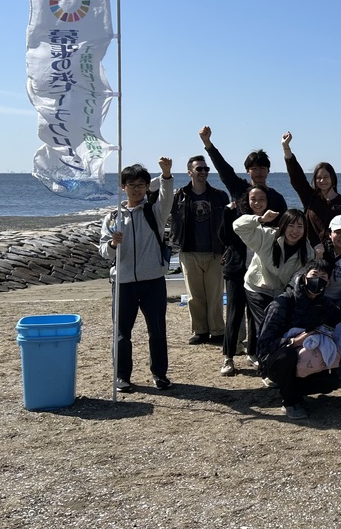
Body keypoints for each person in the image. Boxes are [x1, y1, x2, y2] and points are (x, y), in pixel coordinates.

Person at [100, 158, 174, 392]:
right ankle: (122, 376)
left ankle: (160, 374)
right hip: (123, 283)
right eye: (131, 184)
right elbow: (104, 252)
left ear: (146, 187)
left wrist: (166, 174)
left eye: (141, 184)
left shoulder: (155, 212)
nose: (136, 189)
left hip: (153, 281)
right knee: (122, 333)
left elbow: (167, 196)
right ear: (123, 187)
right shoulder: (113, 217)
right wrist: (113, 244)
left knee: (157, 331)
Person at [256, 260, 341, 419]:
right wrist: (293, 341)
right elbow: (264, 344)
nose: (318, 280)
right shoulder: (283, 303)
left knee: (331, 382)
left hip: (309, 359)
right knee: (286, 357)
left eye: (323, 277)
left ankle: (290, 387)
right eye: (314, 275)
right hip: (278, 359)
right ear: (304, 277)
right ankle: (290, 401)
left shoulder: (325, 304)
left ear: (328, 282)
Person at [234, 208, 311, 361]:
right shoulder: (267, 236)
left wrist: (286, 296)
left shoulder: (307, 251)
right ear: (283, 225)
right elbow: (238, 226)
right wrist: (260, 220)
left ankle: (266, 356)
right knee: (265, 323)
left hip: (282, 291)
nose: (295, 231)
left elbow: (297, 278)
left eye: (300, 226)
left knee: (279, 323)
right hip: (257, 286)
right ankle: (264, 362)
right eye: (291, 225)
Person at [170, 155, 230, 346]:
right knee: (194, 296)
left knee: (215, 294)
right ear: (190, 173)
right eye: (199, 169)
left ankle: (218, 331)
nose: (203, 172)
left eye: (206, 169)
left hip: (215, 251)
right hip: (189, 251)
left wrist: (228, 247)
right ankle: (200, 331)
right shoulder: (179, 196)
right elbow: (160, 205)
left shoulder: (219, 195)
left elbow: (228, 224)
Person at [218, 184, 270, 376]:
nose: (257, 202)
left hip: (259, 275)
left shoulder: (271, 220)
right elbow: (224, 238)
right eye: (253, 199)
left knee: (256, 316)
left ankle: (253, 352)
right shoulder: (237, 217)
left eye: (261, 199)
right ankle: (228, 357)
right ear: (247, 201)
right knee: (234, 314)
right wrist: (226, 213)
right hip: (236, 272)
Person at [280, 131, 341, 248]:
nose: (322, 181)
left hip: (336, 251)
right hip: (310, 250)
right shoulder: (310, 197)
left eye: (326, 177)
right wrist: (286, 148)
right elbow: (297, 177)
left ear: (333, 178)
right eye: (318, 178)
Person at [198, 125, 288, 219]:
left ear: (268, 170)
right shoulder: (239, 187)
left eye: (262, 168)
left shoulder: (277, 198)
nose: (259, 172)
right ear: (247, 171)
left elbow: (284, 224)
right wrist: (207, 142)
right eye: (254, 169)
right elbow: (223, 167)